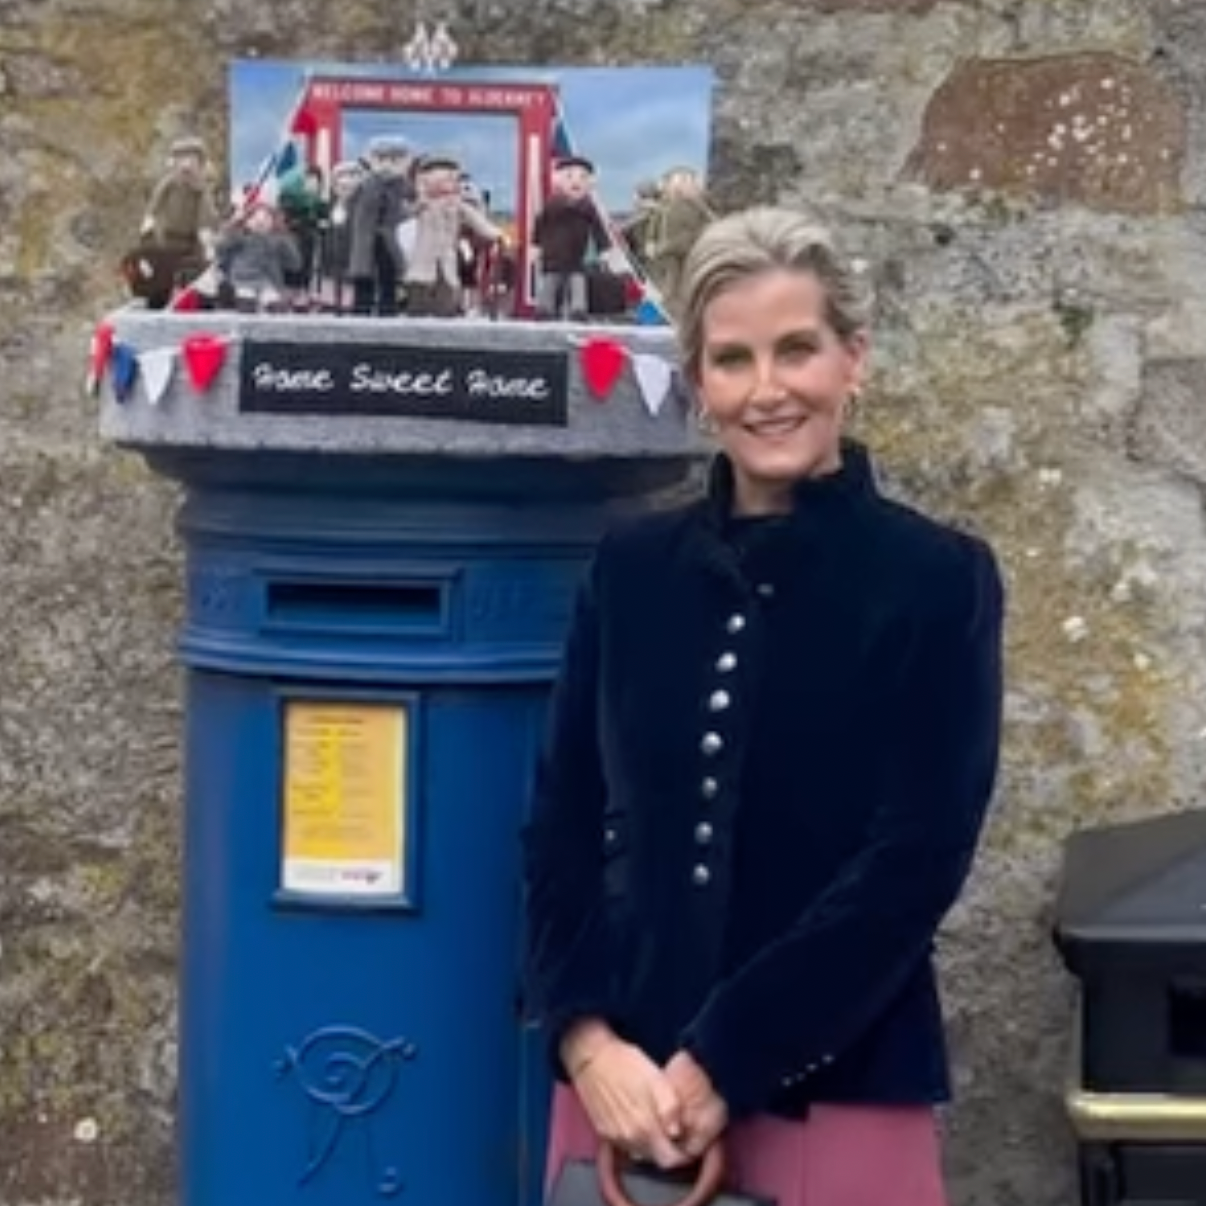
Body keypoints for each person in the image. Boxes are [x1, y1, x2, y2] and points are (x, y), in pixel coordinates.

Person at [521, 206, 1005, 1205]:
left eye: (797, 350)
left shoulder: (936, 580)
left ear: (851, 360)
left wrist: (727, 1055)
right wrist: (586, 1038)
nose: (768, 389)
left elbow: (915, 862)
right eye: (733, 360)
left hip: (837, 1090)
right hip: (623, 1098)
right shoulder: (630, 568)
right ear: (699, 384)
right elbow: (561, 825)